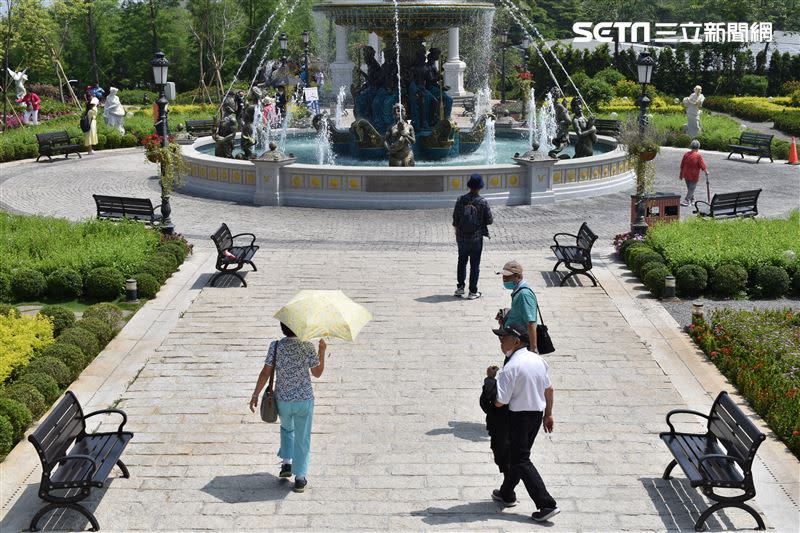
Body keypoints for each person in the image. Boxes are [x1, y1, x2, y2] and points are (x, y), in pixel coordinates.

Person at [491, 324, 559, 523]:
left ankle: (546, 504)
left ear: (517, 341)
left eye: (504, 338)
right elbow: (549, 390)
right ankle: (506, 493)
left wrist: (489, 381)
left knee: (521, 459)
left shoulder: (510, 368)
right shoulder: (538, 360)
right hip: (536, 416)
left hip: (519, 418)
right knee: (517, 456)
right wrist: (549, 414)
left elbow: (499, 402)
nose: (501, 341)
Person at [249, 322, 327, 493]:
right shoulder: (307, 346)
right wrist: (322, 351)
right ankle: (300, 478)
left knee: (286, 429)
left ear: (283, 328)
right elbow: (317, 373)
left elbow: (265, 372)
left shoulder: (275, 346)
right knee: (303, 437)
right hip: (304, 400)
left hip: (283, 400)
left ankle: (286, 462)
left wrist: (255, 394)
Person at [452, 173, 493, 299]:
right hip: (476, 238)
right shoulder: (482, 202)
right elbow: (489, 220)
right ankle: (473, 292)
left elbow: (455, 220)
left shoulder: (460, 200)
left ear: (469, 185)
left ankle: (460, 288)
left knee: (462, 262)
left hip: (462, 238)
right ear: (480, 187)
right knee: (475, 265)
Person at [498, 260, 537, 349]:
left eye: (507, 277)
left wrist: (533, 349)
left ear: (517, 277)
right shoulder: (518, 290)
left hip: (522, 343)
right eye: (503, 276)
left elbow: (531, 322)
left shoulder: (524, 294)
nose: (504, 279)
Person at [480, 363, 510, 479]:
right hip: (528, 420)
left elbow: (488, 401)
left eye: (502, 343)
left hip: (502, 425)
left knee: (507, 459)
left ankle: (508, 491)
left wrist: (490, 379)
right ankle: (507, 491)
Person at [679, 139, 709, 207]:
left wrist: (681, 174)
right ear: (698, 147)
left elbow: (682, 165)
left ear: (691, 146)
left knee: (690, 188)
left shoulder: (686, 154)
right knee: (691, 188)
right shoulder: (698, 156)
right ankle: (687, 200)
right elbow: (702, 165)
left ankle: (692, 199)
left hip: (686, 174)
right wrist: (706, 171)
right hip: (693, 175)